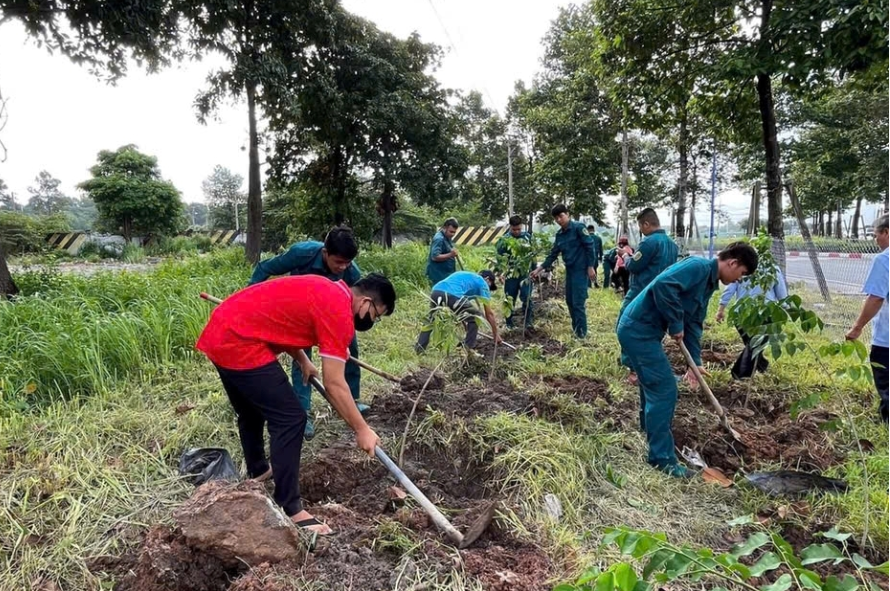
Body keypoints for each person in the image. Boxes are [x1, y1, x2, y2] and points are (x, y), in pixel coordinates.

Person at [196, 273, 397, 534]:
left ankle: (259, 470)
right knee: (291, 418)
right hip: (239, 342)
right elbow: (335, 384)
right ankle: (290, 507)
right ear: (365, 302)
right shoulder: (339, 311)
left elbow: (284, 321)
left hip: (223, 329)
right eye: (376, 315)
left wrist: (302, 359)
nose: (372, 321)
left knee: (251, 408)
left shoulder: (329, 291)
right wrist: (362, 429)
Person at [617, 242, 758, 477]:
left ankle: (648, 429)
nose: (738, 280)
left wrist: (695, 362)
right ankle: (662, 459)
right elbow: (663, 285)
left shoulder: (708, 283)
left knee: (652, 382)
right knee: (665, 389)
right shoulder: (697, 267)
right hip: (637, 330)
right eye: (741, 274)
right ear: (733, 263)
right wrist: (675, 323)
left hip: (646, 332)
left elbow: (693, 323)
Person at [248, 226, 366, 440]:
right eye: (338, 262)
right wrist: (248, 296)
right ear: (325, 253)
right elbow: (266, 267)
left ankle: (353, 400)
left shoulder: (350, 270)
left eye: (347, 262)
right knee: (302, 360)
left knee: (351, 347)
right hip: (300, 315)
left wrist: (343, 338)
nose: (343, 267)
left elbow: (358, 298)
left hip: (333, 315)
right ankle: (304, 411)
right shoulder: (301, 253)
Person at [618, 209, 679, 383]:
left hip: (640, 293)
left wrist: (625, 256)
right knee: (652, 331)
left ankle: (633, 369)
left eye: (640, 226)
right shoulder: (672, 245)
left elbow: (633, 266)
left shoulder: (649, 242)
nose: (640, 230)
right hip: (661, 296)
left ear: (646, 224)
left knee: (626, 326)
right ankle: (649, 367)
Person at [531, 204, 598, 338]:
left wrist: (590, 266)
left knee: (578, 302)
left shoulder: (579, 228)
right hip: (570, 271)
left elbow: (590, 247)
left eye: (561, 216)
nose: (559, 220)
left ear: (567, 214)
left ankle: (582, 334)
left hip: (580, 270)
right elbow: (553, 254)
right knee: (570, 301)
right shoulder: (560, 235)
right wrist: (539, 269)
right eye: (556, 218)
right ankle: (576, 330)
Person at [846, 214, 888, 423]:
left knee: (886, 383)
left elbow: (876, 298)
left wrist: (857, 327)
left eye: (875, 235)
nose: (875, 240)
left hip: (887, 340)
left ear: (886, 232)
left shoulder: (884, 259)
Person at [716, 268, 788, 379]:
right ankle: (741, 376)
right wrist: (786, 309)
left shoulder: (742, 266)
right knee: (754, 346)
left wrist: (721, 309)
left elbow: (730, 288)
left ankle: (760, 366)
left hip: (740, 315)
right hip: (764, 315)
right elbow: (782, 294)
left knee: (752, 345)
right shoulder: (773, 269)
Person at [416, 270, 501, 351]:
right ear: (487, 279)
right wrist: (495, 334)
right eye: (490, 286)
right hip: (452, 294)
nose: (488, 289)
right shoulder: (483, 282)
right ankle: (467, 349)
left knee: (431, 320)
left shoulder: (468, 276)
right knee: (475, 317)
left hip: (436, 291)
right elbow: (489, 314)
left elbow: (459, 308)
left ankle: (420, 348)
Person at [497, 215, 534, 328]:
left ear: (521, 226)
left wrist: (534, 270)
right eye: (514, 229)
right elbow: (500, 258)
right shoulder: (504, 240)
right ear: (510, 227)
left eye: (519, 229)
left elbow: (533, 255)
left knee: (526, 296)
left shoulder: (527, 237)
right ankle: (509, 323)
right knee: (509, 298)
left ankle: (528, 322)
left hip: (525, 273)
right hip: (510, 274)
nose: (517, 232)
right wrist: (501, 273)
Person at [426, 218, 460, 285]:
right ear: (445, 228)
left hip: (445, 274)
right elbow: (435, 257)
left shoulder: (447, 237)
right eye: (451, 232)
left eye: (454, 232)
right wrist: (451, 254)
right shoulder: (439, 239)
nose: (452, 234)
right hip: (438, 275)